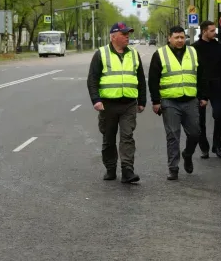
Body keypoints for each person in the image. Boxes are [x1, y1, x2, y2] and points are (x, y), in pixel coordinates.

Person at [87, 22, 146, 183]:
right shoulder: (101, 54)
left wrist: (142, 100)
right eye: (124, 34)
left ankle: (127, 170)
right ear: (113, 37)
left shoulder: (134, 54)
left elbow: (140, 78)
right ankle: (110, 167)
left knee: (127, 136)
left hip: (129, 103)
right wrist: (96, 100)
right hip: (108, 104)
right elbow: (92, 79)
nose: (127, 36)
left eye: (128, 34)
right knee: (108, 138)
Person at [148, 26, 207, 181]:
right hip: (169, 101)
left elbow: (201, 76)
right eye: (177, 37)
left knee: (195, 133)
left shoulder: (193, 53)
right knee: (173, 135)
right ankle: (173, 168)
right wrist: (155, 101)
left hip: (190, 100)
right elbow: (153, 80)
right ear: (169, 38)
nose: (180, 40)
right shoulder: (160, 54)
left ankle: (187, 154)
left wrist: (203, 96)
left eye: (182, 37)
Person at [191, 21, 221, 159]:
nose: (214, 33)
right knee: (200, 120)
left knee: (218, 115)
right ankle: (204, 147)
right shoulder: (195, 48)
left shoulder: (218, 46)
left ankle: (217, 146)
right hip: (201, 87)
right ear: (204, 31)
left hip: (216, 85)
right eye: (212, 30)